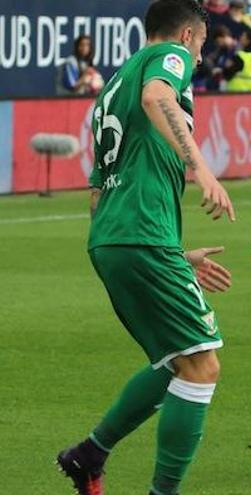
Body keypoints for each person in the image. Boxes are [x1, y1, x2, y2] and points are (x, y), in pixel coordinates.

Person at [55, 1, 236, 495]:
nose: (199, 57)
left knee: (174, 360)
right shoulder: (169, 59)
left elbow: (98, 191)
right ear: (185, 35)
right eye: (201, 44)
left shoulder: (112, 86)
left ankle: (89, 455)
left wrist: (172, 255)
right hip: (141, 235)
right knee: (201, 364)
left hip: (114, 238)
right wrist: (199, 166)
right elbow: (160, 98)